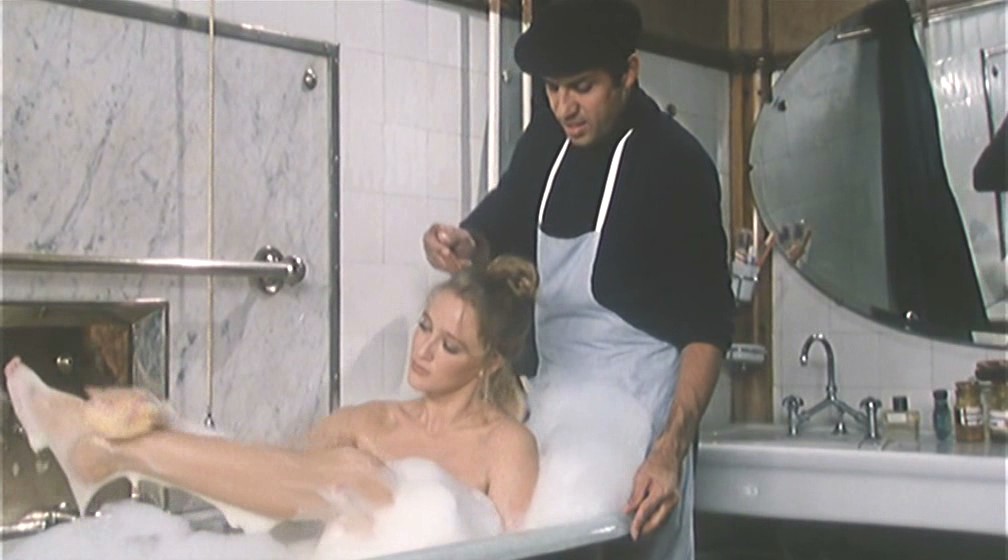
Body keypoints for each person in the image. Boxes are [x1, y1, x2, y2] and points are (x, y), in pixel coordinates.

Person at [422, 0, 734, 558]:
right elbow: (505, 217)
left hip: (633, 424)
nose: (564, 106)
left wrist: (669, 451)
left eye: (582, 87)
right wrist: (468, 242)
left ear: (628, 73)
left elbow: (708, 328)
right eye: (552, 88)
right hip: (553, 405)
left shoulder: (677, 164)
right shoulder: (550, 140)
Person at [4, 256, 540, 535]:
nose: (422, 349)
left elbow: (527, 550)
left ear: (491, 361)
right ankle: (123, 448)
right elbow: (272, 480)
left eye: (449, 345)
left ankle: (115, 451)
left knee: (360, 476)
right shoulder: (367, 422)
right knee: (350, 470)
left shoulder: (506, 445)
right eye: (424, 326)